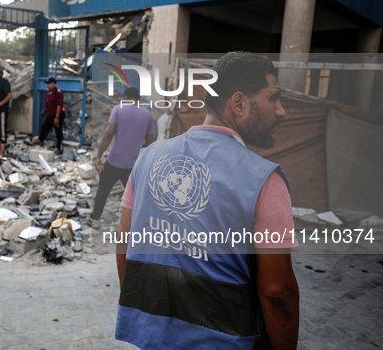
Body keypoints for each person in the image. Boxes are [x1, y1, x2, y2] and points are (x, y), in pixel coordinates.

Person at [116, 52, 299, 349]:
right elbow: (277, 292)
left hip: (152, 337)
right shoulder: (265, 180)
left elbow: (124, 249)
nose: (281, 112)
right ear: (238, 103)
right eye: (273, 98)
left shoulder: (148, 158)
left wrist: (151, 318)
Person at [90, 87, 155, 229]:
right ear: (138, 99)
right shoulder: (147, 115)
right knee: (134, 197)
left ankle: (95, 219)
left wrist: (99, 155)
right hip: (133, 164)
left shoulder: (118, 109)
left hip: (114, 161)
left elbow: (109, 132)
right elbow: (150, 142)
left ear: (125, 97)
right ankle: (137, 225)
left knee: (103, 191)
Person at [36, 77, 65, 153]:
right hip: (50, 115)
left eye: (49, 84)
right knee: (45, 127)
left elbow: (59, 105)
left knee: (58, 132)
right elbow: (48, 104)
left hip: (58, 115)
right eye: (47, 84)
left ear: (53, 84)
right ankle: (40, 140)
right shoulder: (49, 92)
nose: (47, 85)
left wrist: (57, 117)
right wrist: (43, 111)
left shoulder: (58, 93)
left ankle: (60, 149)